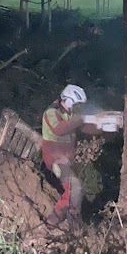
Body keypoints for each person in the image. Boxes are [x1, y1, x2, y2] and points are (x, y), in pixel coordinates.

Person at [41, 84, 89, 226]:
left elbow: (86, 128)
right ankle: (55, 219)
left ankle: (72, 220)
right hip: (55, 160)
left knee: (75, 189)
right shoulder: (51, 113)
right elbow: (59, 129)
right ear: (68, 101)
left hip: (64, 160)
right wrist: (81, 119)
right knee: (75, 186)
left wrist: (101, 122)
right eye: (77, 105)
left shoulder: (69, 115)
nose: (78, 109)